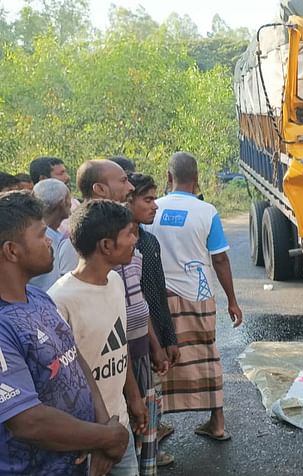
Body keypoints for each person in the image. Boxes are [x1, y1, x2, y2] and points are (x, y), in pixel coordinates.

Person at [0, 191, 129, 475]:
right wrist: (107, 436)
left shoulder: (39, 298)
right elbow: (27, 421)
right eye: (41, 235)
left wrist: (102, 429)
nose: (51, 241)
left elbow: (76, 359)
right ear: (12, 250)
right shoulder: (3, 326)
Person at [145, 152, 242, 442]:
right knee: (207, 355)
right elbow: (220, 260)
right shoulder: (207, 211)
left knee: (159, 360)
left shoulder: (150, 209)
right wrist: (232, 301)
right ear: (197, 179)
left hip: (158, 299)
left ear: (168, 177)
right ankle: (217, 422)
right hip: (198, 298)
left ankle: (155, 425)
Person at [48, 200, 148, 476]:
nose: (135, 240)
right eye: (129, 233)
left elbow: (119, 343)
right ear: (106, 245)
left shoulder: (115, 282)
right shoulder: (59, 300)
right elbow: (59, 380)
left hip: (119, 423)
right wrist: (93, 436)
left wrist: (134, 397)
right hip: (85, 436)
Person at [128, 173, 178, 467]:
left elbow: (157, 293)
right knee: (136, 405)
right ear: (128, 201)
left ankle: (150, 450)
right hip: (134, 342)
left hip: (154, 337)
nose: (155, 206)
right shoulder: (120, 246)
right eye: (148, 200)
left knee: (152, 398)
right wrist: (156, 344)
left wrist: (168, 338)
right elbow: (136, 303)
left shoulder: (149, 242)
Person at [58, 159, 135, 275]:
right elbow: (75, 286)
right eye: (123, 181)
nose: (131, 187)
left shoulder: (121, 228)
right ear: (100, 189)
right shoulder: (77, 237)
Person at [29, 179, 72, 291]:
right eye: (69, 198)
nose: (71, 203)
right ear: (63, 203)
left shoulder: (54, 234)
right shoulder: (43, 239)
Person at [30, 157, 78, 236]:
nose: (67, 177)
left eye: (66, 172)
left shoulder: (74, 202)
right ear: (43, 179)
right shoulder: (32, 220)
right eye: (61, 173)